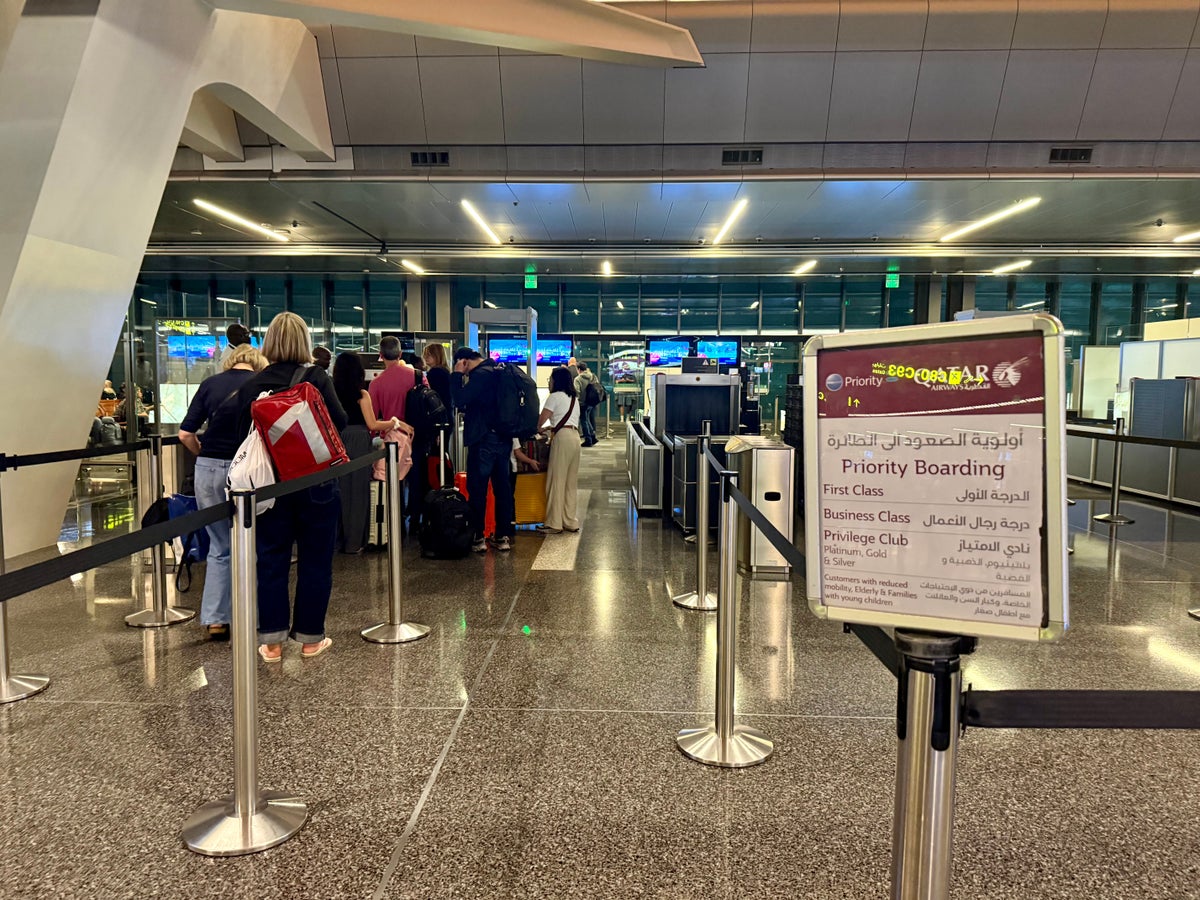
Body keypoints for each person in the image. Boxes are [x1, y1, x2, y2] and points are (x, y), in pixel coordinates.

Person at [227, 312, 348, 662]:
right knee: (315, 559)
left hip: (268, 487)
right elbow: (338, 421)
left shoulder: (253, 383)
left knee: (271, 559)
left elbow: (241, 437)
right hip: (315, 482)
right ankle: (311, 638)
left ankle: (272, 642)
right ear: (304, 342)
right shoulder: (316, 378)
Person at [177, 343, 268, 640]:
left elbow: (185, 434)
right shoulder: (260, 385)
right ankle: (250, 615)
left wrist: (201, 452)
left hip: (208, 468)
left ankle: (216, 619)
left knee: (219, 545)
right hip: (246, 470)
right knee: (251, 542)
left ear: (231, 361)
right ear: (257, 362)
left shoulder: (209, 384)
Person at [331, 351, 403, 554]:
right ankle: (354, 542)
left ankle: (337, 540)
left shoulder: (331, 391)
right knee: (358, 491)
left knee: (339, 490)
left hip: (336, 440)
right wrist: (393, 422)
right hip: (359, 440)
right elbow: (372, 423)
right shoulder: (362, 394)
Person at [451, 347, 515, 553]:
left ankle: (478, 537)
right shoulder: (499, 370)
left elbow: (459, 399)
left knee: (478, 489)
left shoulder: (479, 376)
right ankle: (503, 536)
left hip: (483, 440)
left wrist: (457, 375)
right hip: (504, 439)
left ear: (465, 361)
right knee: (502, 488)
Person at [536, 366, 582, 535]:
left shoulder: (554, 396)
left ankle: (554, 523)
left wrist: (539, 428)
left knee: (556, 481)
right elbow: (565, 420)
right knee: (570, 483)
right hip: (575, 438)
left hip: (562, 440)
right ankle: (569, 521)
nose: (549, 382)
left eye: (550, 379)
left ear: (556, 381)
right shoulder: (573, 399)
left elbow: (540, 421)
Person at [573, 361, 600, 447]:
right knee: (587, 419)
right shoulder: (592, 376)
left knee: (583, 420)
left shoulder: (578, 379)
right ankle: (593, 436)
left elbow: (577, 391)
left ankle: (588, 439)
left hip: (582, 402)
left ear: (579, 369)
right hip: (591, 402)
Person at [422, 342, 453, 411]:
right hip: (446, 410)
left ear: (437, 356)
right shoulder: (445, 371)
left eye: (428, 355)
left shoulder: (435, 372)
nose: (425, 357)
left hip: (438, 410)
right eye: (425, 355)